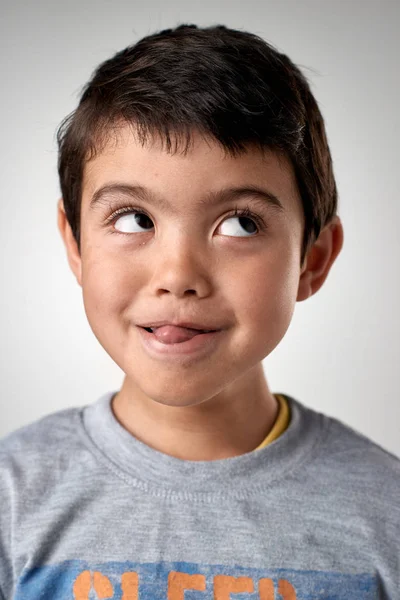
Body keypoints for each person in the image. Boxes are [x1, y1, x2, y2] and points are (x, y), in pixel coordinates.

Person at [0, 23, 398, 600]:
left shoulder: (384, 513)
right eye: (135, 218)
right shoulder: (14, 497)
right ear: (76, 244)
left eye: (239, 223)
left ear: (313, 259)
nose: (178, 276)